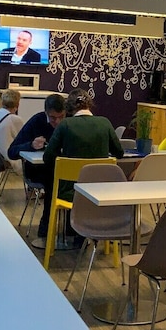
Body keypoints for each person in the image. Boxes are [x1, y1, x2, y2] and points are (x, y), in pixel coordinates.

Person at [43, 88, 124, 242]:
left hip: (71, 191)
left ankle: (63, 231)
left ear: (69, 108)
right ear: (89, 105)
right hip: (99, 190)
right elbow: (119, 153)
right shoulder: (105, 123)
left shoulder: (65, 125)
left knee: (53, 185)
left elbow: (48, 157)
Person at [8, 93, 66, 236]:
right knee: (54, 180)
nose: (57, 122)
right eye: (53, 118)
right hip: (37, 170)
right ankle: (46, 227)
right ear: (46, 112)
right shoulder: (37, 121)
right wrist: (31, 145)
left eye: (61, 117)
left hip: (61, 169)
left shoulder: (69, 121)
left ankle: (72, 229)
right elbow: (12, 152)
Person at [0, 89, 24, 172]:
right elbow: (24, 139)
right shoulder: (15, 119)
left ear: (2, 102)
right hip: (7, 158)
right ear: (18, 105)